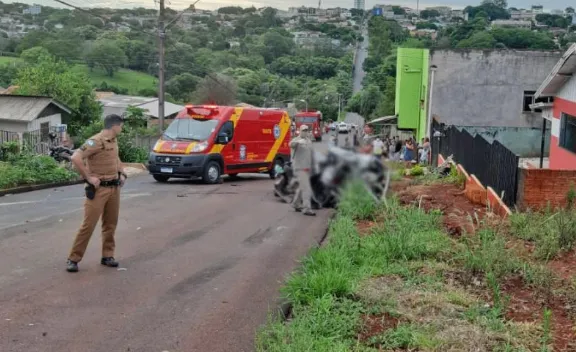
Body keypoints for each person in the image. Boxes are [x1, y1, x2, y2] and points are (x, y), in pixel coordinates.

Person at [66, 114, 128, 273]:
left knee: (110, 224)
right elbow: (76, 157)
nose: (121, 129)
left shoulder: (113, 141)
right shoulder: (95, 141)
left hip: (114, 189)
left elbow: (116, 159)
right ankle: (73, 259)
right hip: (99, 190)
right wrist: (88, 177)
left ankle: (108, 255)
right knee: (89, 225)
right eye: (121, 126)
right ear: (114, 126)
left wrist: (122, 173)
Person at [289, 125, 316, 216]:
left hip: (307, 167)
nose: (305, 132)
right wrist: (298, 142)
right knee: (306, 189)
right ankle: (307, 209)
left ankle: (296, 204)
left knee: (302, 187)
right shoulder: (296, 140)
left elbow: (311, 153)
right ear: (299, 131)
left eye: (306, 130)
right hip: (299, 168)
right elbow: (290, 144)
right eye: (303, 130)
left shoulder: (308, 141)